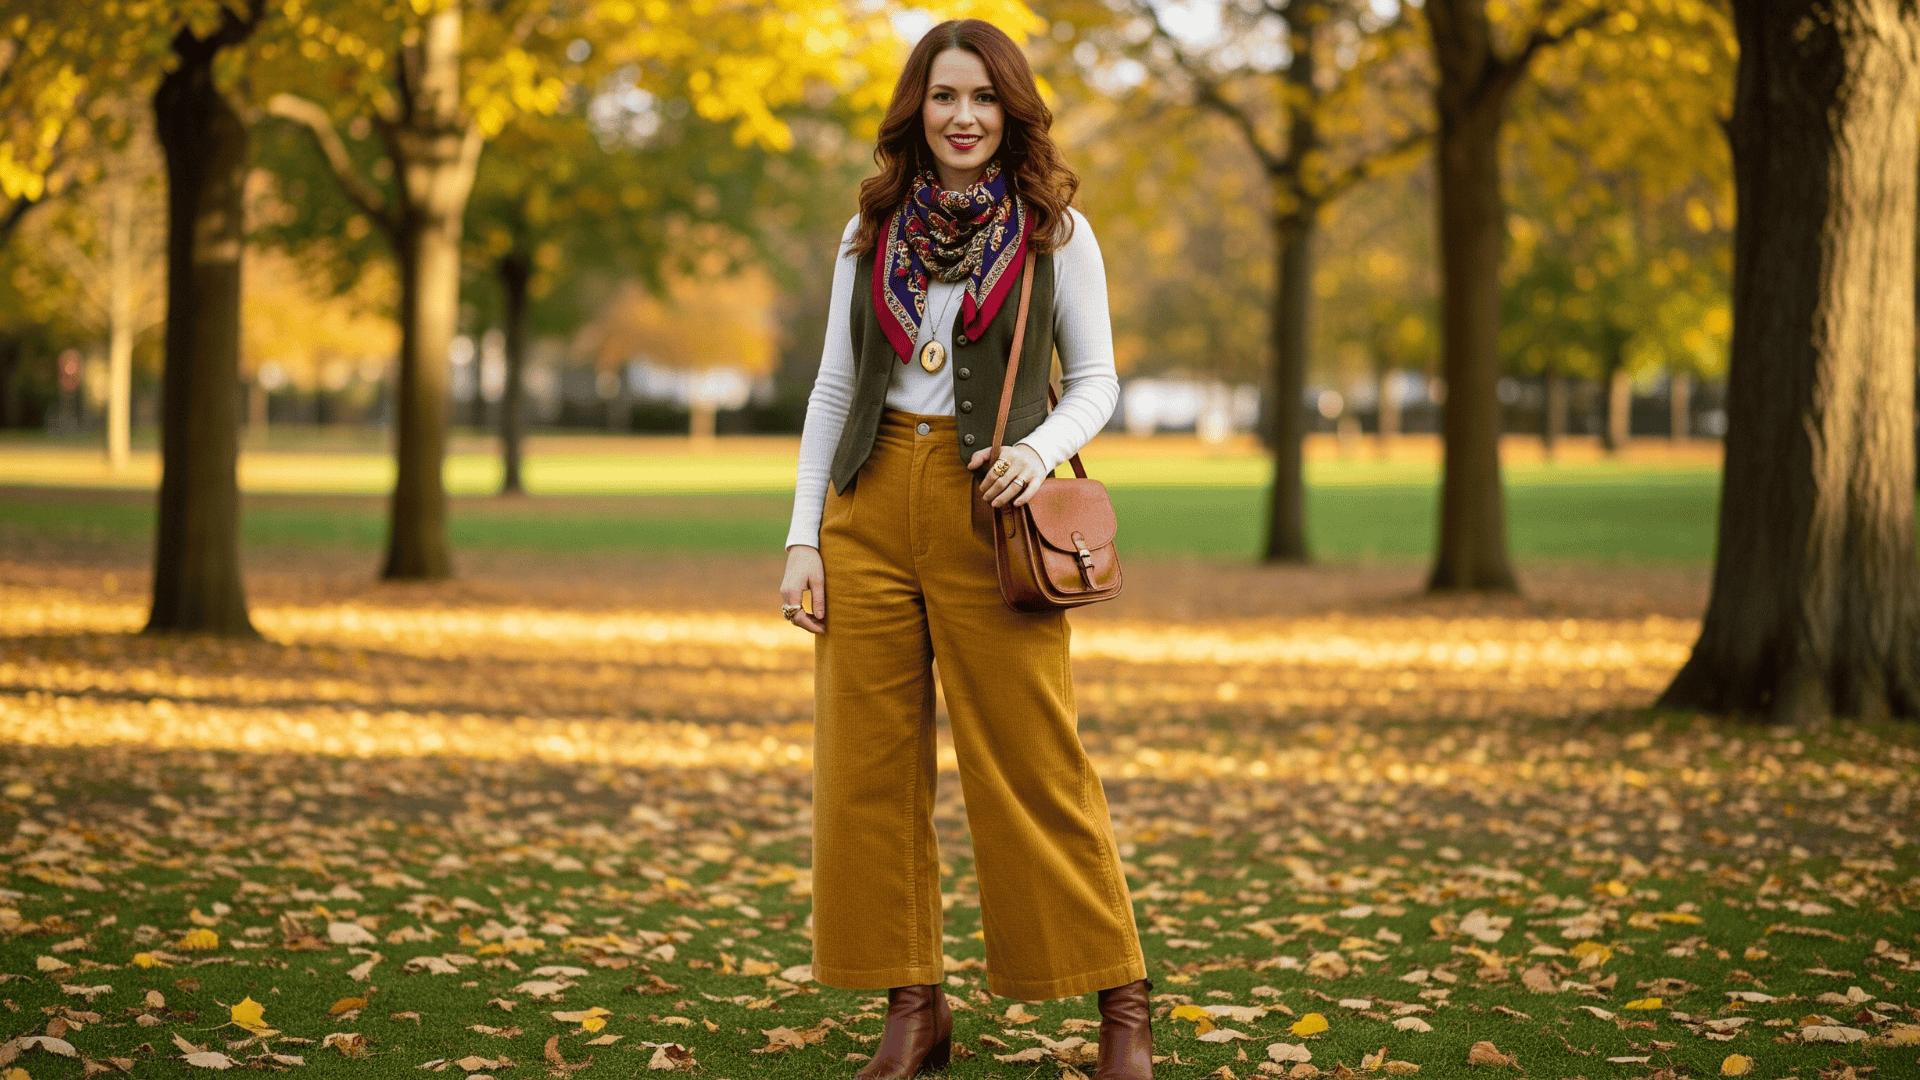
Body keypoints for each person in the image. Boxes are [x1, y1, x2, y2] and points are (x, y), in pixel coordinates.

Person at [777, 17, 1152, 1080]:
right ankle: (914, 1005)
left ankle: (1122, 1003)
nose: (963, 117)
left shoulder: (1055, 232)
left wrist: (1039, 450)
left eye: (983, 98)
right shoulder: (870, 230)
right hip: (869, 499)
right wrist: (804, 536)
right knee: (868, 768)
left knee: (1033, 762)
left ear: (1012, 110)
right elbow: (835, 388)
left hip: (992, 506)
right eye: (944, 97)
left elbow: (1098, 382)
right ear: (916, 109)